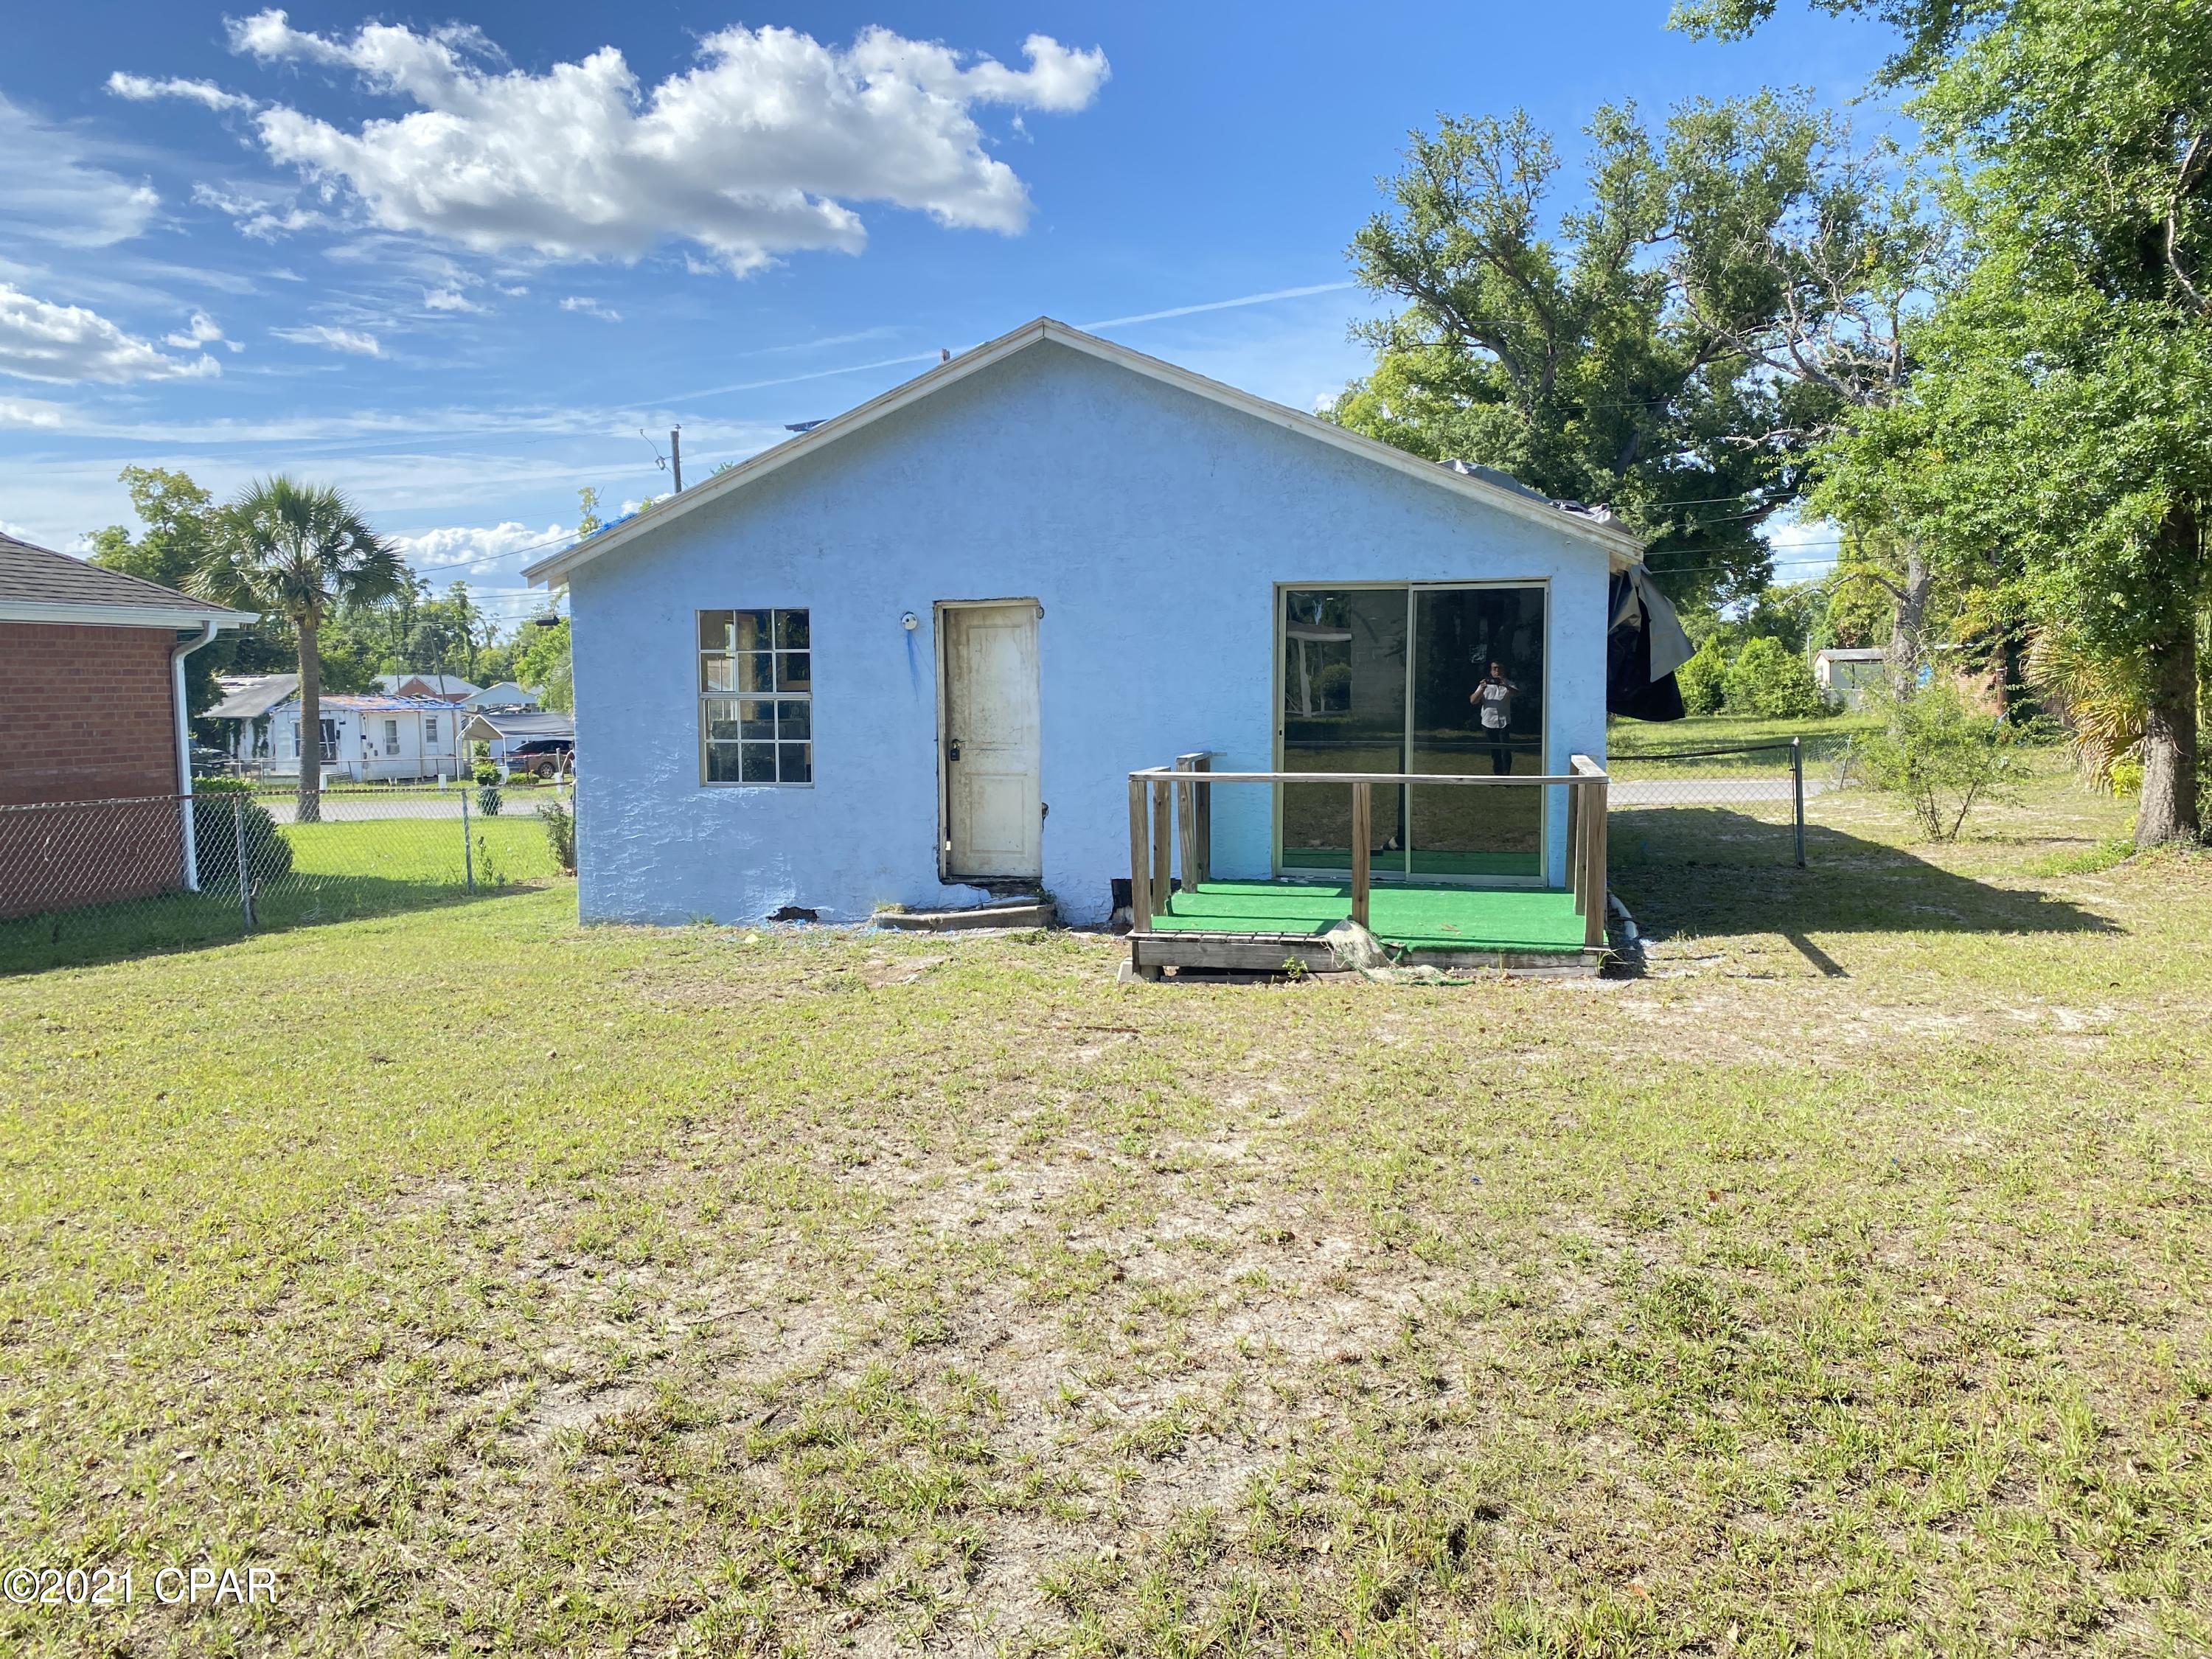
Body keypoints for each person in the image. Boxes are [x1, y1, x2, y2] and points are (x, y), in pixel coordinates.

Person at [1470, 660, 1518, 774]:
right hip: (1488, 722)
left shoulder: (1508, 683)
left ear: (1504, 670)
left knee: (1505, 751)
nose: (1497, 671)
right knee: (1494, 751)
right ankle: (1497, 776)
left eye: (1499, 668)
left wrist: (1505, 685)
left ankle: (1506, 777)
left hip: (1504, 722)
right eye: (1495, 668)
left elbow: (1516, 693)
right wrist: (1482, 689)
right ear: (1491, 671)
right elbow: (1473, 700)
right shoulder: (1485, 685)